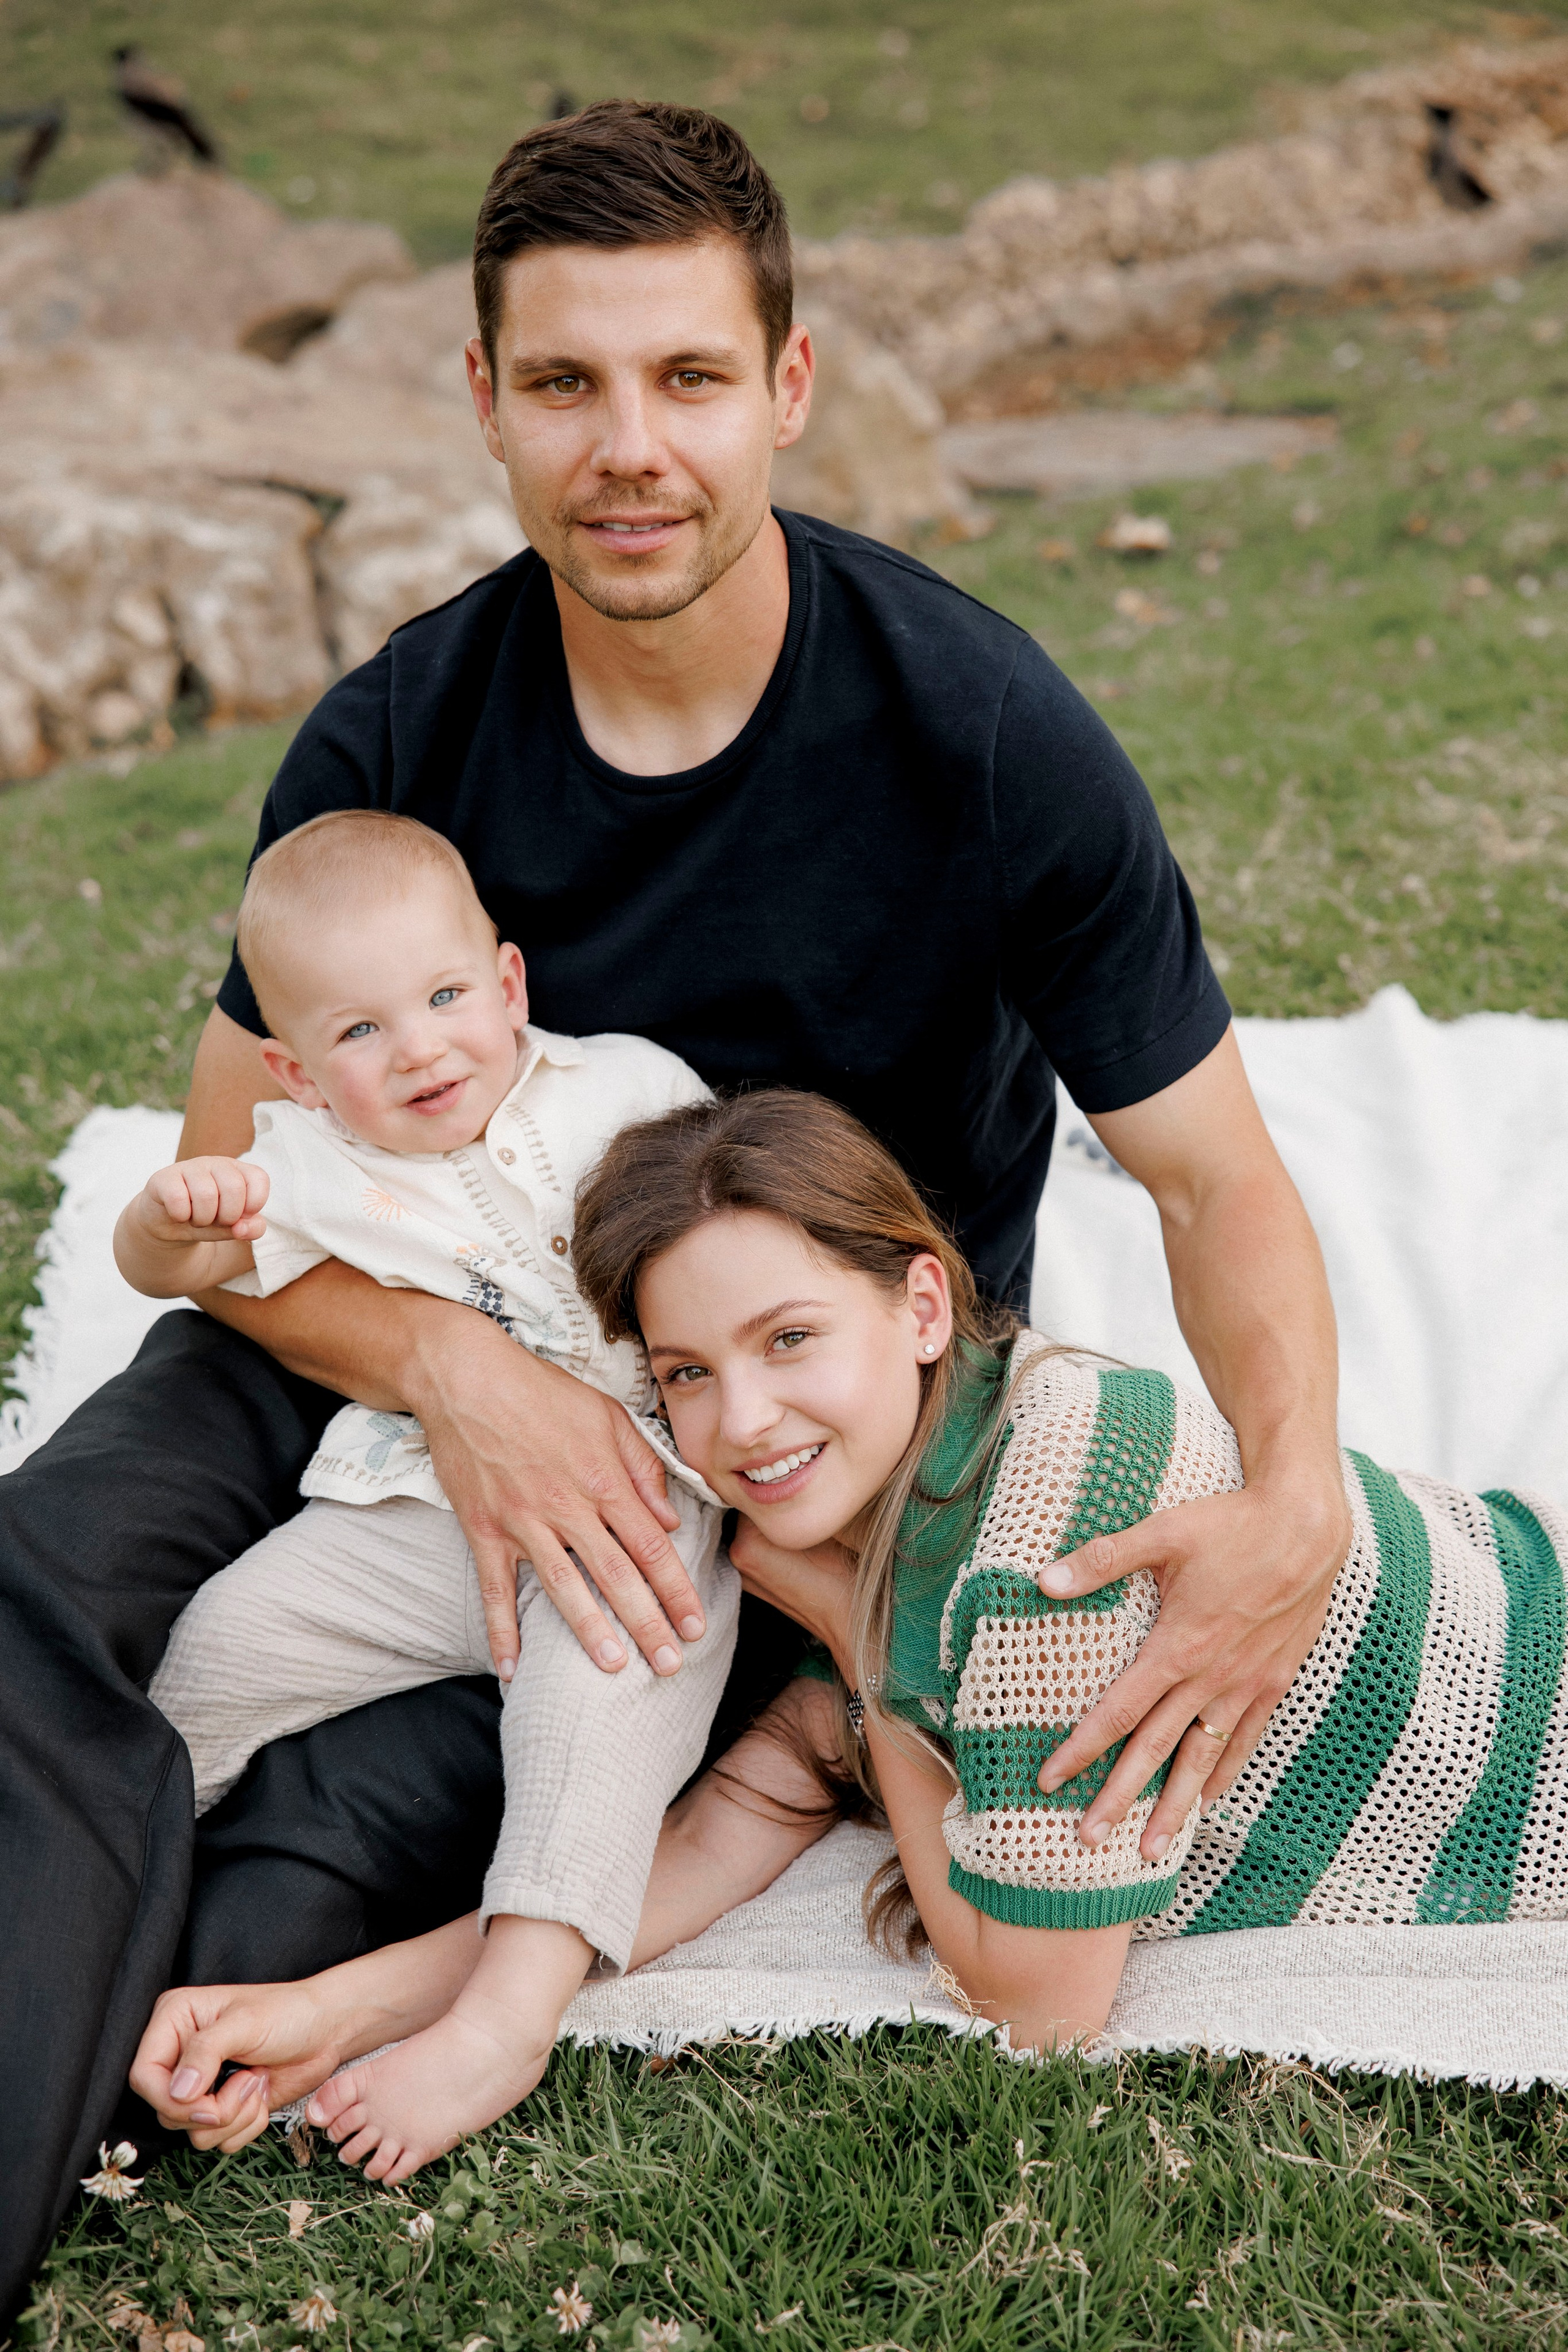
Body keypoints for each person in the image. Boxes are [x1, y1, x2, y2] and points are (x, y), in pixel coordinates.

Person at [1, 99, 1346, 2303]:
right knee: (41, 1569)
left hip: (747, 1438)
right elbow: (233, 1187)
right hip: (377, 1309)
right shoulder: (399, 729)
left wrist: (1287, 1498)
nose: (632, 447)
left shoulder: (985, 733)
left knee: (325, 1840)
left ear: (787, 389)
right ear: (487, 404)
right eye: (567, 383)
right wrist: (445, 1371)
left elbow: (1215, 1174)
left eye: (690, 377)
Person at [131, 1088, 1566, 2169]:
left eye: (790, 1338)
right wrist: (333, 2011)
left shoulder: (1039, 1540)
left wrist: (858, 1652)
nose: (740, 1423)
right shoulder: (888, 1518)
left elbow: (1040, 2002)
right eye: (686, 1372)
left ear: (922, 1304)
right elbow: (695, 1850)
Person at [115, 809, 740, 2157]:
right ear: (292, 1068)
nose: (420, 1050)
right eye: (360, 1033)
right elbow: (183, 1277)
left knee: (606, 1712)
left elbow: (729, 1233)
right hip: (417, 1514)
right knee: (215, 1650)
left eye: (448, 997)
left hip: (645, 1511)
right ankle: (107, 1867)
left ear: (509, 985)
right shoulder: (301, 1163)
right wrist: (168, 1223)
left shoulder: (626, 1086)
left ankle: (503, 2022)